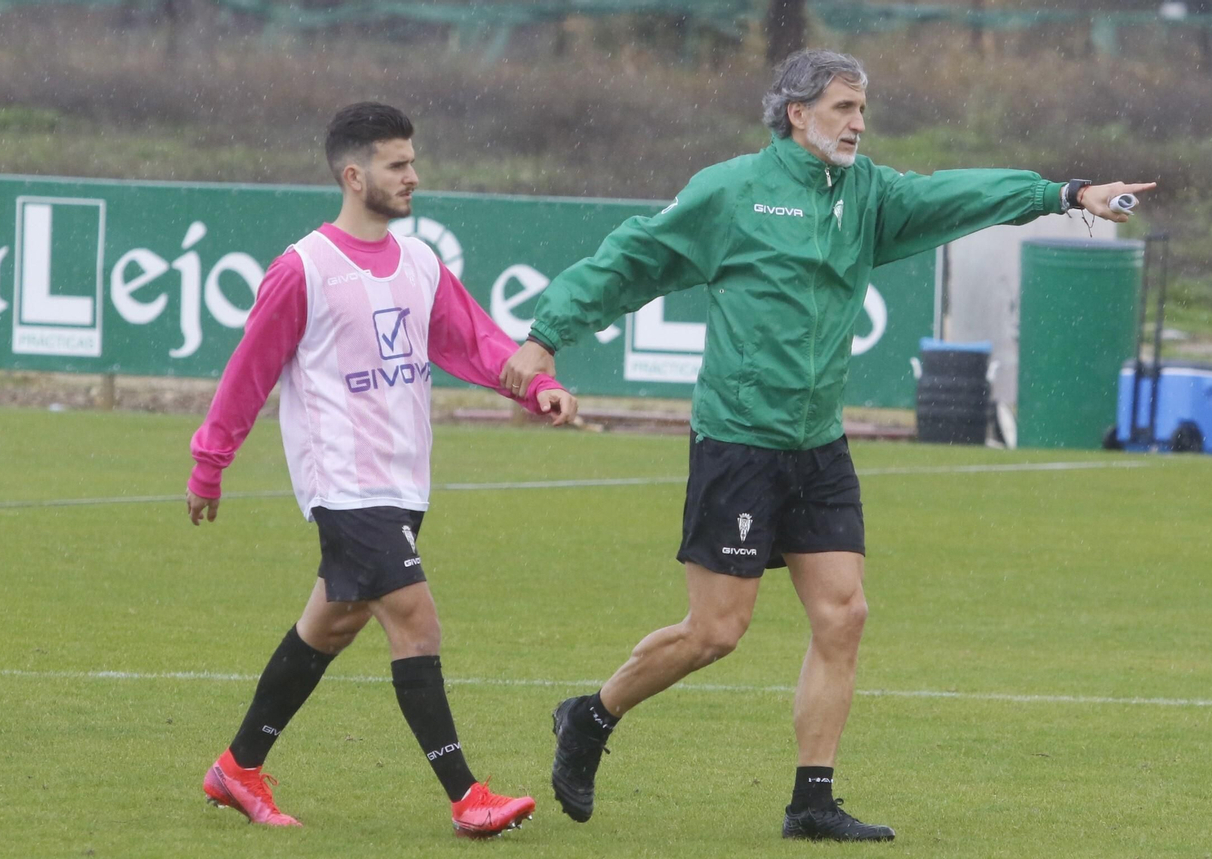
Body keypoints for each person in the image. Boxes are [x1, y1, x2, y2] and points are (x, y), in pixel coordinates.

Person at [501, 49, 1155, 842]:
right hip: (739, 442)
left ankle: (812, 800)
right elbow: (630, 259)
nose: (858, 123)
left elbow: (956, 192)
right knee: (715, 632)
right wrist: (544, 337)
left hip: (819, 444)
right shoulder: (732, 190)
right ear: (796, 113)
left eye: (862, 109)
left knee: (843, 614)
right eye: (844, 108)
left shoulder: (868, 194)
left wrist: (1062, 193)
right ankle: (591, 715)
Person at [187, 102, 576, 837]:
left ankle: (237, 767)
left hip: (403, 481)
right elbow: (248, 374)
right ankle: (467, 796)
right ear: (354, 173)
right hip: (343, 482)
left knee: (330, 625)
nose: (413, 176)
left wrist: (536, 383)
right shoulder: (303, 268)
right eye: (398, 165)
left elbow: (476, 341)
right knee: (416, 620)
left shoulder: (422, 262)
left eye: (413, 161)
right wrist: (209, 463)